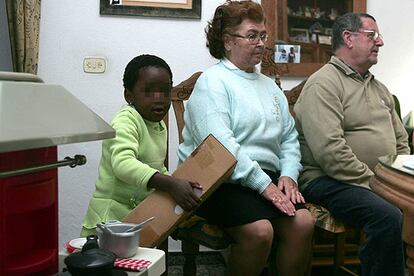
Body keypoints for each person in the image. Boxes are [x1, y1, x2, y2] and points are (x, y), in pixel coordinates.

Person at [178, 1, 314, 275]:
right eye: (252, 36)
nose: (261, 43)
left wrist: (288, 175)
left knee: (303, 223)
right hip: (218, 182)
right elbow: (221, 148)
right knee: (260, 231)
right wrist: (266, 187)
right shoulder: (213, 82)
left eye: (263, 35)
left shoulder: (270, 86)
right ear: (228, 41)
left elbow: (289, 137)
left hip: (263, 178)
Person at [294, 13, 410, 276]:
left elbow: (401, 141)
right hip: (327, 180)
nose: (380, 42)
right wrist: (378, 185)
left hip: (374, 180)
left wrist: (399, 178)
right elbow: (331, 153)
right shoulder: (323, 84)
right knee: (387, 215)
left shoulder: (379, 88)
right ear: (348, 38)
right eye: (372, 36)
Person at [81, 54, 201, 236]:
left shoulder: (157, 124)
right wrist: (170, 184)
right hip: (109, 222)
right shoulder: (125, 120)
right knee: (109, 265)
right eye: (149, 91)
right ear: (129, 95)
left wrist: (178, 183)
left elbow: (157, 166)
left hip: (137, 217)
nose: (159, 98)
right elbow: (123, 164)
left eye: (165, 91)